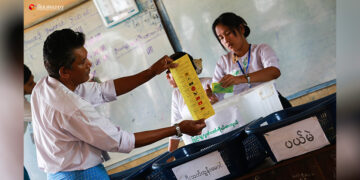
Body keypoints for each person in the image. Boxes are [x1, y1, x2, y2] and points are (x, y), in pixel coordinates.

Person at [31, 29, 206, 179]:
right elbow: (122, 141)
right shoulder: (71, 108)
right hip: (79, 174)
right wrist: (177, 129)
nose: (89, 64)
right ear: (65, 71)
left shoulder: (45, 86)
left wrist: (151, 71)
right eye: (83, 61)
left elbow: (104, 90)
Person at [207, 12, 292, 108]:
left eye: (228, 33)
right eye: (221, 38)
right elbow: (218, 94)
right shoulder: (223, 62)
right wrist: (212, 97)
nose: (226, 40)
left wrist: (239, 79)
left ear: (241, 29)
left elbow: (274, 72)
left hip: (273, 102)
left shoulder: (261, 49)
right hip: (247, 110)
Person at [166, 52, 243, 152]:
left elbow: (236, 90)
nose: (167, 76)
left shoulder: (209, 83)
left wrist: (215, 100)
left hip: (228, 142)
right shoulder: (176, 95)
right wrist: (169, 157)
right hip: (204, 150)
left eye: (169, 71)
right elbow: (176, 130)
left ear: (183, 69)